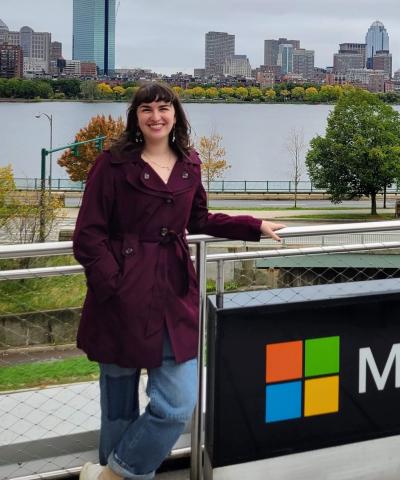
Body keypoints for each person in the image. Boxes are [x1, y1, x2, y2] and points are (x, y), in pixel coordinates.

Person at [74, 82, 285, 480]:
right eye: (147, 109)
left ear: (176, 114)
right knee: (118, 407)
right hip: (120, 296)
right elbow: (88, 234)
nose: (156, 116)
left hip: (172, 292)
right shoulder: (113, 163)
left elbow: (199, 220)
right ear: (135, 117)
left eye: (164, 107)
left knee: (176, 404)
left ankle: (111, 476)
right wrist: (112, 285)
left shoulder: (189, 162)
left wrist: (253, 225)